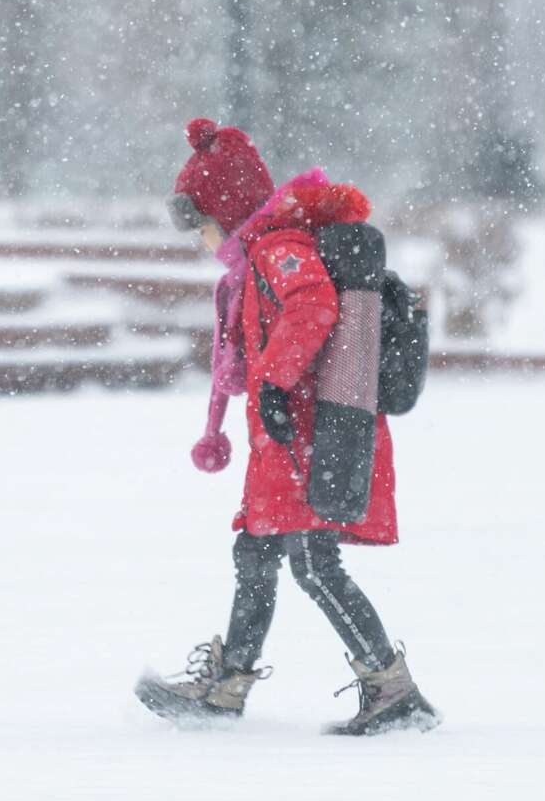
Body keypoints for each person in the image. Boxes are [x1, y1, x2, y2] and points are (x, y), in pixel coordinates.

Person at [135, 118, 440, 736]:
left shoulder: (278, 249)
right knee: (256, 553)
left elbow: (313, 305)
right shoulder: (265, 252)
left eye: (203, 225)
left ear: (227, 212)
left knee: (314, 563)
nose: (201, 240)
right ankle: (228, 687)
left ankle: (391, 689)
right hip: (288, 437)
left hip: (308, 435)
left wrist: (273, 381)